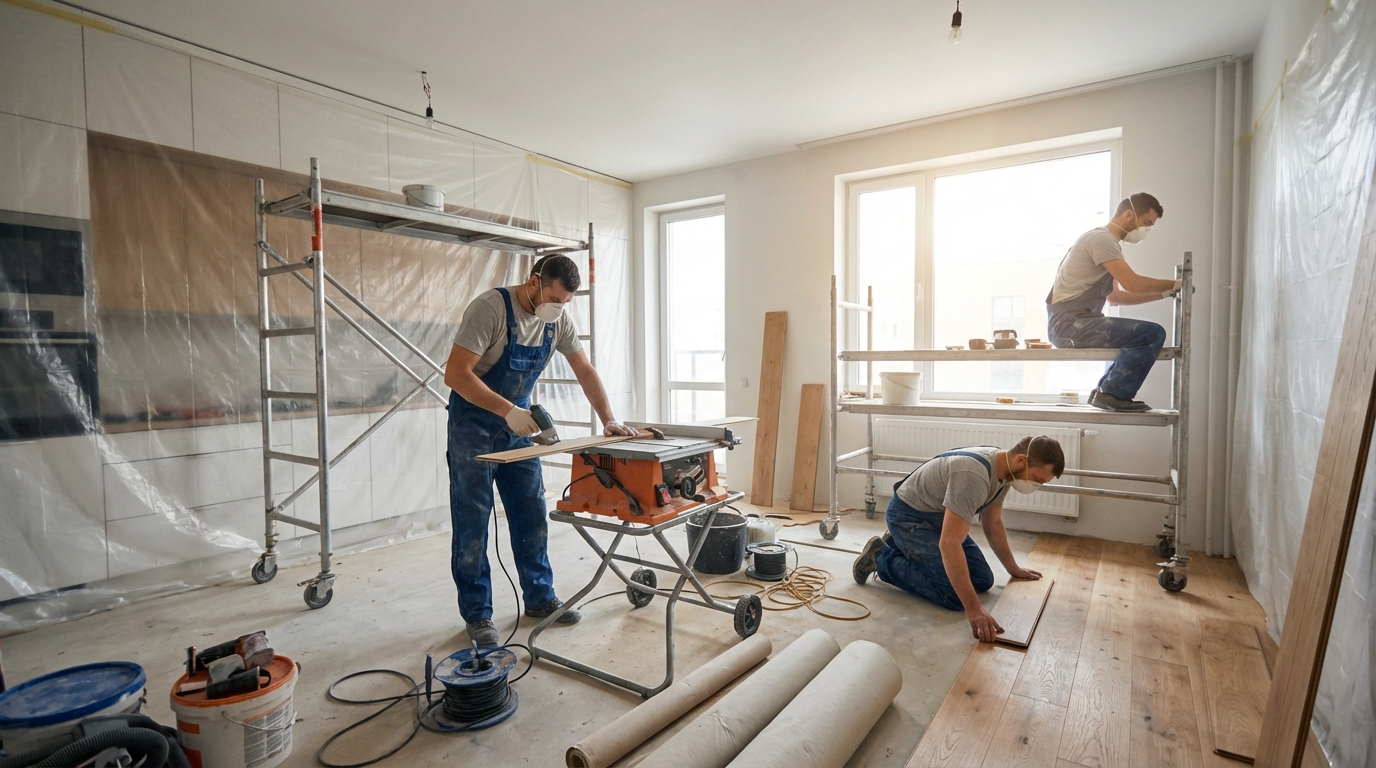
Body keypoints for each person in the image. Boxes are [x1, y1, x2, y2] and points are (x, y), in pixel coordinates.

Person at [443, 254, 637, 647]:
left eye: (566, 303)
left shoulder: (557, 320)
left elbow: (584, 369)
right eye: (554, 298)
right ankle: (478, 615)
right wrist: (507, 410)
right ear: (534, 283)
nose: (559, 308)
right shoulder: (490, 309)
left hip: (520, 429)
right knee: (473, 524)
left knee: (531, 514)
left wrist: (609, 418)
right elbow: (455, 374)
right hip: (473, 428)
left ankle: (540, 598)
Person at [853, 436, 1064, 643]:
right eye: (1037, 480)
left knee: (982, 580)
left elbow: (993, 522)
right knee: (952, 596)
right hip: (908, 516)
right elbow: (949, 543)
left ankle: (904, 545)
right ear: (1021, 460)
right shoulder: (973, 475)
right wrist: (974, 610)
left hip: (937, 517)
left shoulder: (1005, 471)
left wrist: (1012, 568)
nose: (1035, 486)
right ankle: (880, 556)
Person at [1046, 193, 1182, 412]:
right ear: (1129, 214)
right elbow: (1133, 283)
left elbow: (1116, 297)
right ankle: (1113, 394)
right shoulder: (1102, 240)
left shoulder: (1106, 243)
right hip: (1069, 325)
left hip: (1074, 323)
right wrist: (1176, 284)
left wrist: (1165, 294)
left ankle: (1105, 393)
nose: (1146, 231)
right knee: (1151, 334)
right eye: (1146, 223)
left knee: (1143, 334)